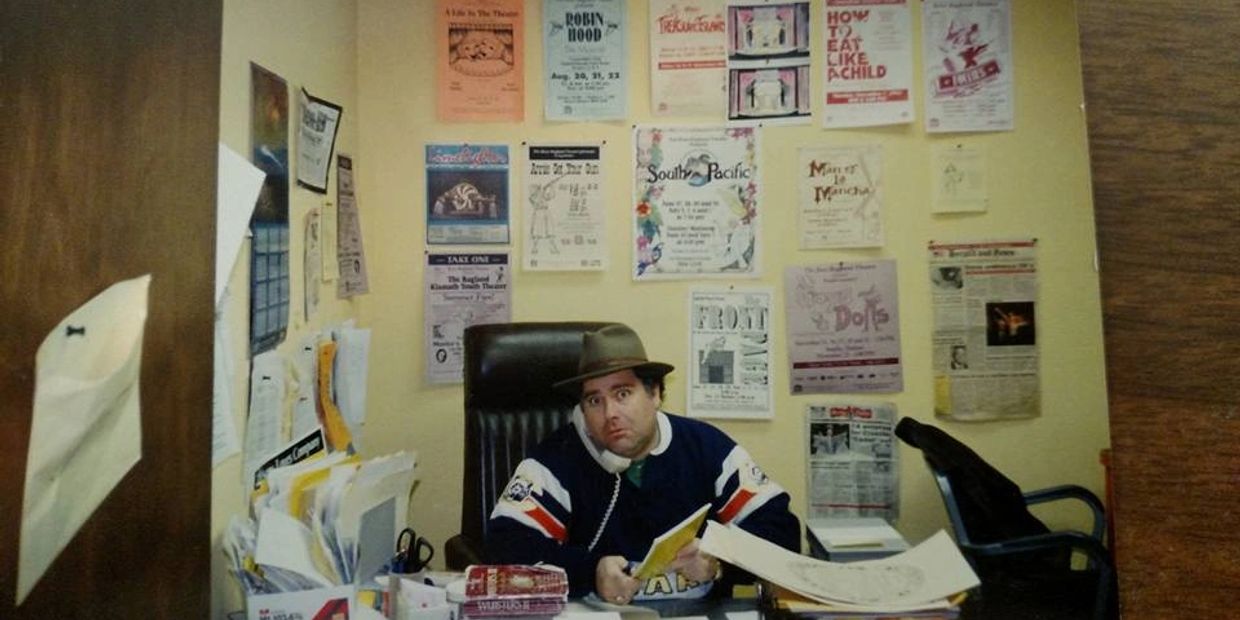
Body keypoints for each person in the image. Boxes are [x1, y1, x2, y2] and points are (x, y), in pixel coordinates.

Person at [486, 324, 800, 602]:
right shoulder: (554, 461)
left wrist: (720, 560)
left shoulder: (706, 448)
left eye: (623, 393)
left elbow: (781, 532)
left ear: (656, 394)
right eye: (595, 400)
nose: (609, 413)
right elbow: (505, 552)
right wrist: (589, 572)